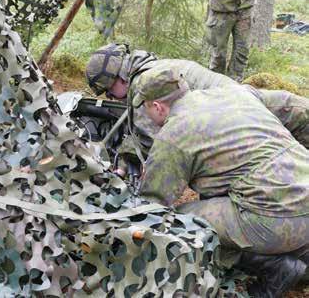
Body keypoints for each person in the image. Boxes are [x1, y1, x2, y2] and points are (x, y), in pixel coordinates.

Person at [131, 66, 309, 297]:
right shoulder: (234, 93)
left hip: (277, 217)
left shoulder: (175, 132)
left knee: (180, 220)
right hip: (302, 190)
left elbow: (153, 206)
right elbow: (292, 105)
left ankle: (275, 267)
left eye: (145, 109)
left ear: (156, 106)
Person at [85, 43, 237, 137]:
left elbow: (158, 147)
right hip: (242, 101)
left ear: (121, 78)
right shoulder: (152, 66)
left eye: (108, 90)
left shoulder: (144, 88)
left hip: (231, 121)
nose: (110, 97)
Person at [206, 0, 255, 82]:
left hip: (245, 7)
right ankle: (215, 86)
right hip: (221, 8)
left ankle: (234, 85)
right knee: (218, 54)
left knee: (242, 51)